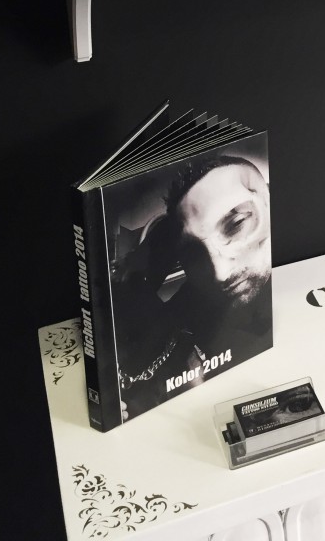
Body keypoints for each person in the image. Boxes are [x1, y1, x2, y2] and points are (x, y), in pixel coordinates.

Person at [113, 154, 272, 421]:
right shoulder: (184, 311)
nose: (220, 274)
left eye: (236, 225)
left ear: (269, 199)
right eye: (195, 253)